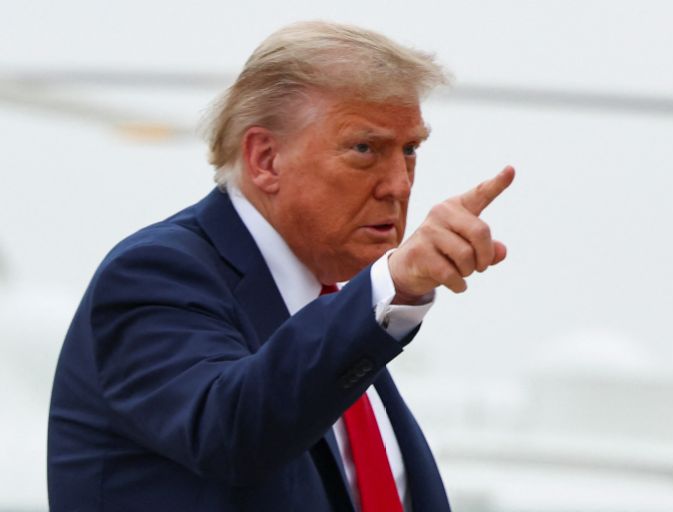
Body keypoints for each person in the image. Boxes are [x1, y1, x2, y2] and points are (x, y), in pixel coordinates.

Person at [47, 21, 514, 511]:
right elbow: (232, 431)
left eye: (410, 149)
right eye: (365, 149)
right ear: (265, 159)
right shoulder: (155, 273)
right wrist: (390, 288)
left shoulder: (338, 313)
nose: (398, 184)